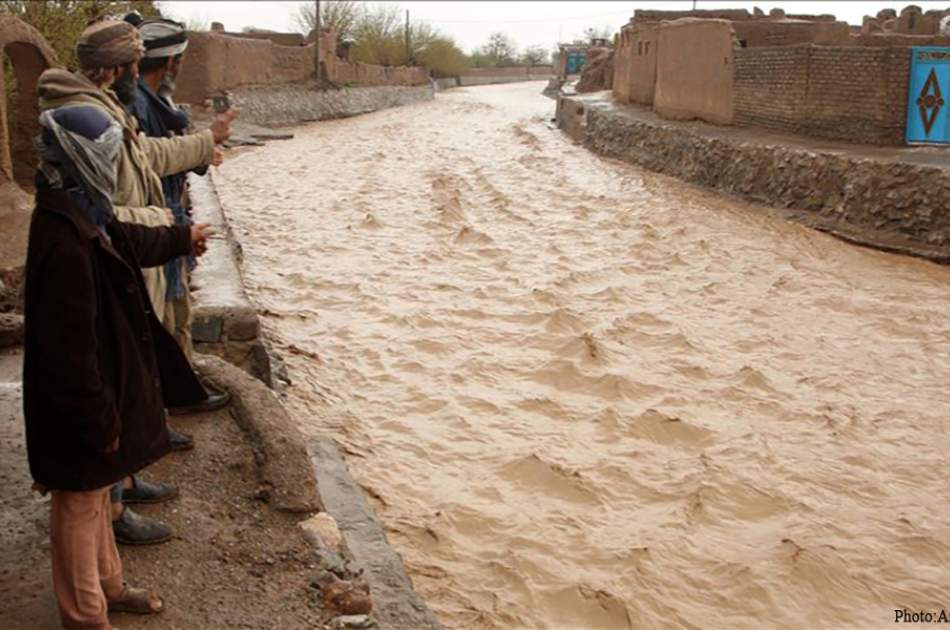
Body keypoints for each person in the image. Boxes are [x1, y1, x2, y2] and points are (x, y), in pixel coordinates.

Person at [36, 18, 231, 545]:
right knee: (113, 379)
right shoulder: (89, 119)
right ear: (124, 68)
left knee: (128, 374)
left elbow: (140, 161)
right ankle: (114, 508)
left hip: (131, 252)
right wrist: (170, 227)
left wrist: (199, 144)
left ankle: (122, 483)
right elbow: (105, 213)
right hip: (120, 258)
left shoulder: (101, 106)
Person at [23, 104, 213, 629]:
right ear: (83, 159)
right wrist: (97, 421)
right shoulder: (63, 240)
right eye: (106, 154)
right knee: (79, 506)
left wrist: (181, 237)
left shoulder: (78, 212)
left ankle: (107, 588)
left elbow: (127, 239)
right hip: (78, 403)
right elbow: (69, 354)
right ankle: (86, 617)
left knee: (95, 498)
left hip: (93, 394)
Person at [127, 17, 202, 358]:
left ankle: (181, 394)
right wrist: (206, 142)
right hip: (154, 232)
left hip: (168, 231)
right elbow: (150, 161)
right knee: (164, 323)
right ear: (172, 62)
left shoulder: (158, 104)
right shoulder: (139, 107)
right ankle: (172, 402)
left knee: (176, 319)